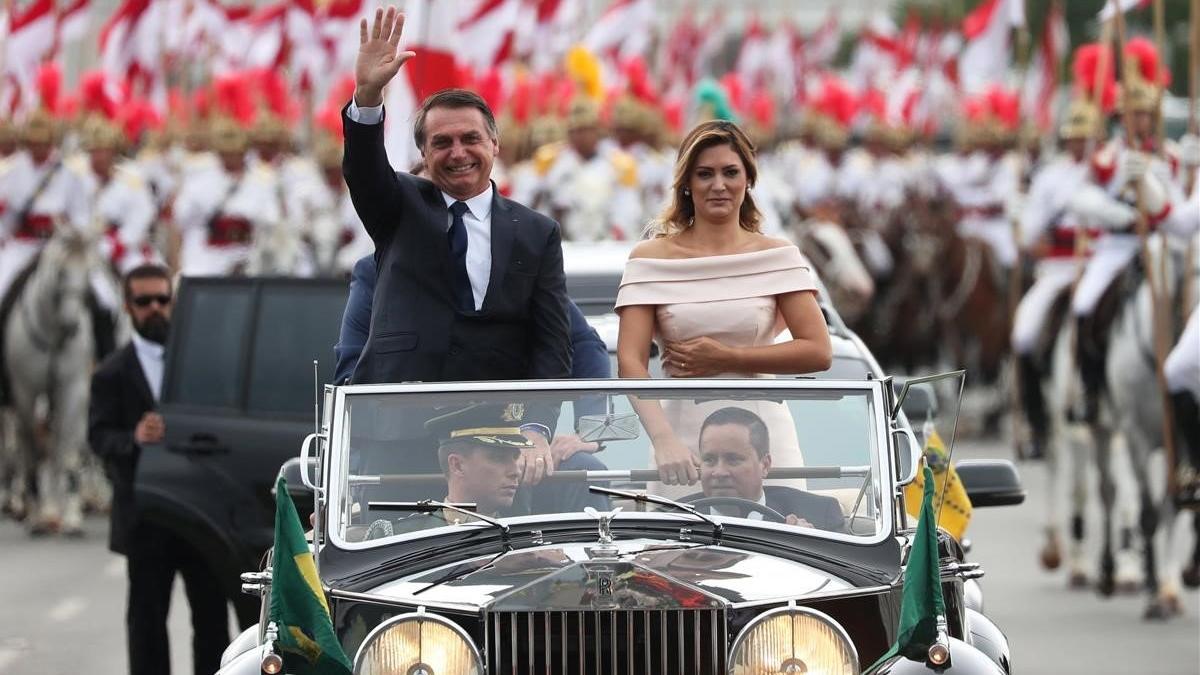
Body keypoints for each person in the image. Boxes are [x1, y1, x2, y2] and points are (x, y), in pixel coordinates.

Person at [343, 8, 571, 479]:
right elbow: (365, 171)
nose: (458, 153)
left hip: (496, 443)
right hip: (401, 429)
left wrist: (537, 428)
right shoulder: (400, 208)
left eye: (471, 139)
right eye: (442, 143)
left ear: (495, 145)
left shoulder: (536, 232)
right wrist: (367, 97)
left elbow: (551, 341)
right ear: (423, 155)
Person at [614, 119, 832, 492]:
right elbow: (630, 362)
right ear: (686, 183)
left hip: (766, 438)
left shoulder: (778, 256)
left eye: (730, 172)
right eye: (704, 174)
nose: (719, 185)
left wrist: (729, 358)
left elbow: (818, 350)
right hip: (683, 445)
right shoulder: (650, 258)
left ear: (748, 180)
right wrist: (664, 440)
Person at [87, 265, 230, 675]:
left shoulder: (200, 362)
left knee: (212, 619)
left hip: (200, 515)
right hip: (145, 517)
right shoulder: (112, 372)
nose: (155, 310)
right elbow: (98, 436)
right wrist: (133, 436)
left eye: (162, 300)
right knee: (147, 622)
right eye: (144, 302)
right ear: (128, 308)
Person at [684, 407, 844, 532]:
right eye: (709, 460)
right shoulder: (673, 517)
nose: (719, 472)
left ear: (765, 465)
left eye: (733, 460)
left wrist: (805, 547)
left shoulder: (819, 515)